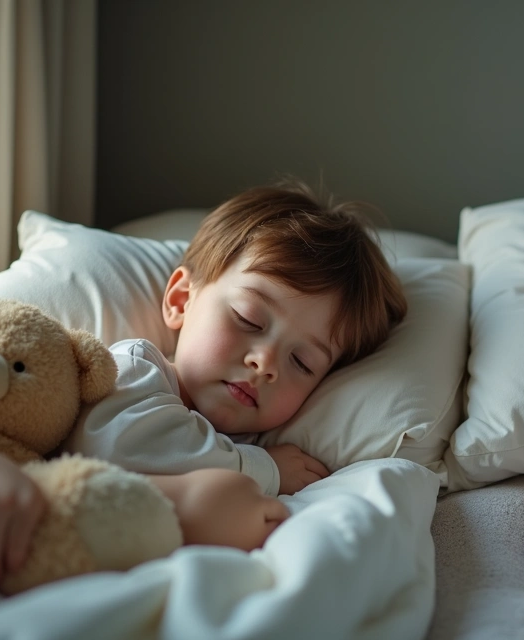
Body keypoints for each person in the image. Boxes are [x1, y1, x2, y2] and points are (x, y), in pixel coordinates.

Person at [62, 180, 408, 544]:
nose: (265, 362)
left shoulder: (262, 445)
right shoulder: (134, 370)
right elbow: (117, 449)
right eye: (249, 319)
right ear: (181, 300)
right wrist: (264, 469)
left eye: (302, 362)